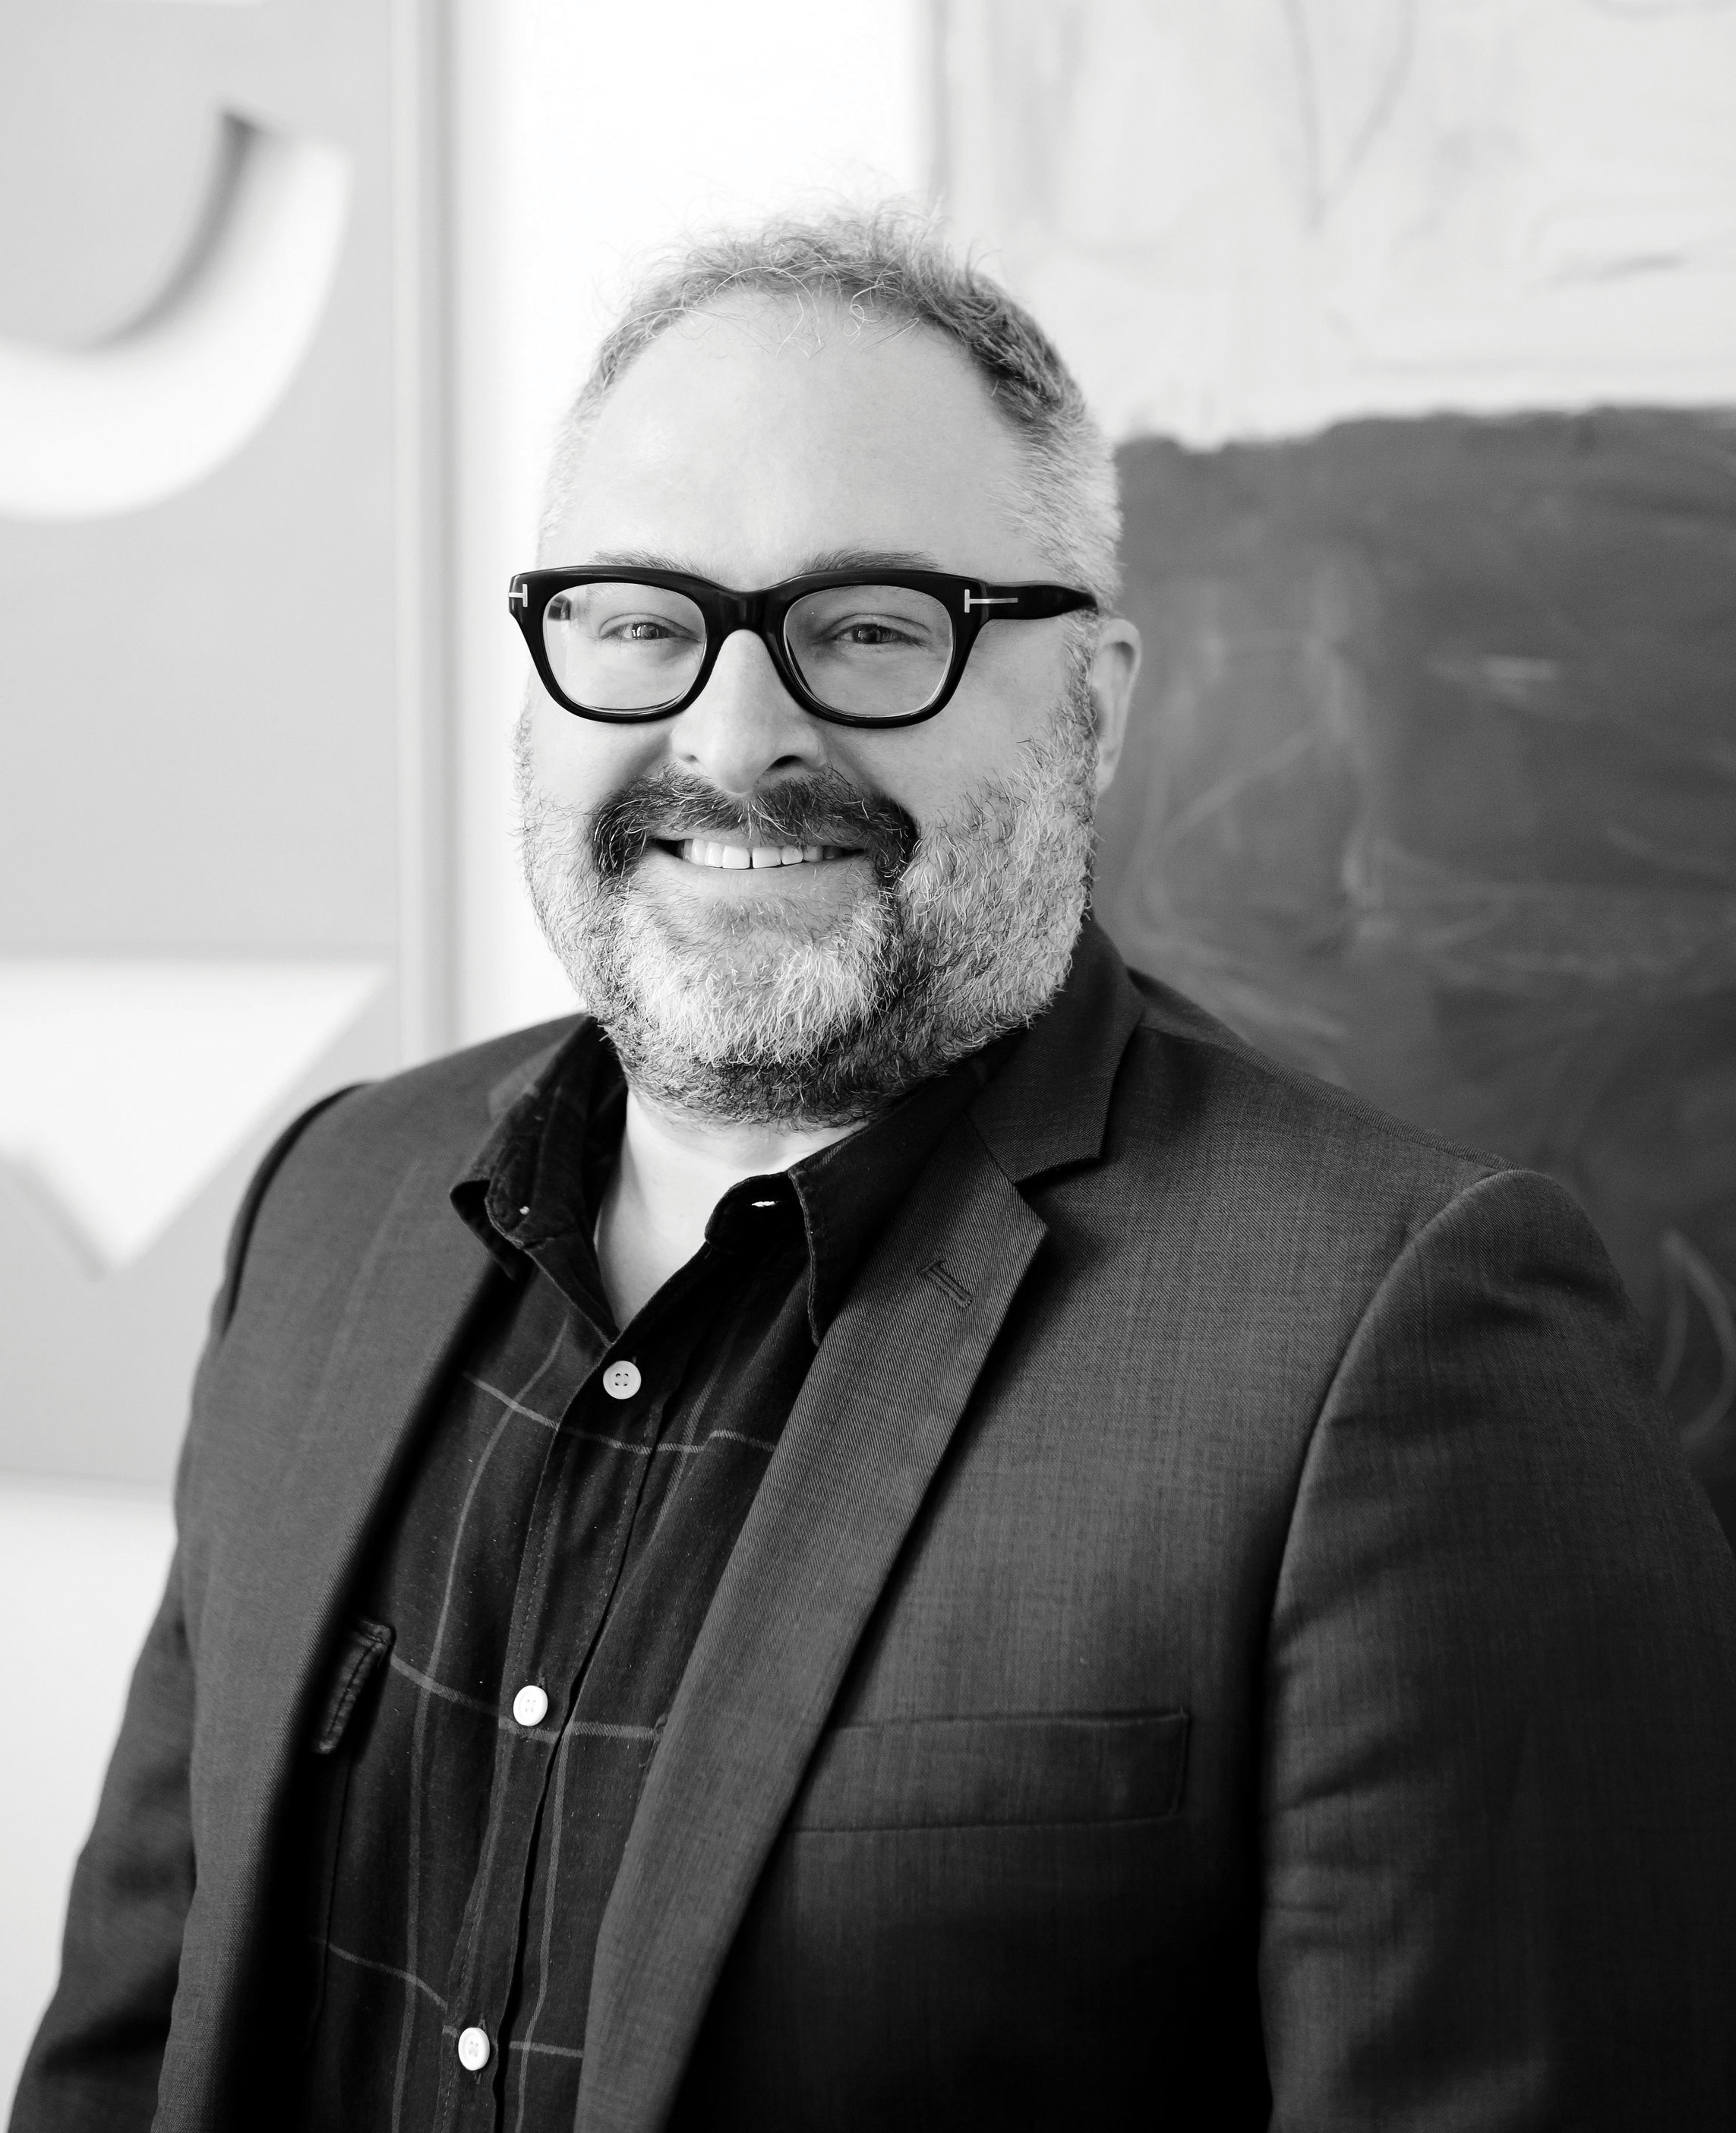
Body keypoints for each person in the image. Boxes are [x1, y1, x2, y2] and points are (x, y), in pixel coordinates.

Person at [14, 210, 1736, 2133]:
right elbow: (124, 2053)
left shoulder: (1406, 1340)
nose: (734, 737)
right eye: (641, 622)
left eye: (869, 630)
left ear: (1095, 705)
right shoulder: (331, 1207)